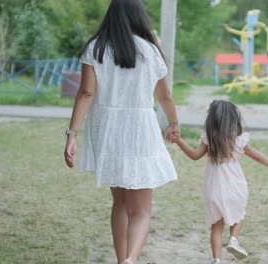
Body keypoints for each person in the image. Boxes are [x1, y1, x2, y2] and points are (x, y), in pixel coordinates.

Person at [63, 0, 179, 263]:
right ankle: (130, 261)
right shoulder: (151, 51)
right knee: (141, 210)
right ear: (139, 16)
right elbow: (165, 96)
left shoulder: (96, 48)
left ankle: (122, 260)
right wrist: (174, 122)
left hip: (108, 131)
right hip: (141, 130)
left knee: (120, 204)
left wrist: (72, 135)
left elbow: (86, 93)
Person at [168, 100, 268, 264]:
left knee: (216, 226)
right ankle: (233, 239)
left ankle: (217, 260)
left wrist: (179, 141)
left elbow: (194, 156)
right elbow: (258, 156)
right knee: (239, 215)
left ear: (212, 120)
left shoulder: (208, 140)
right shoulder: (239, 140)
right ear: (233, 119)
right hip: (235, 187)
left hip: (214, 189)